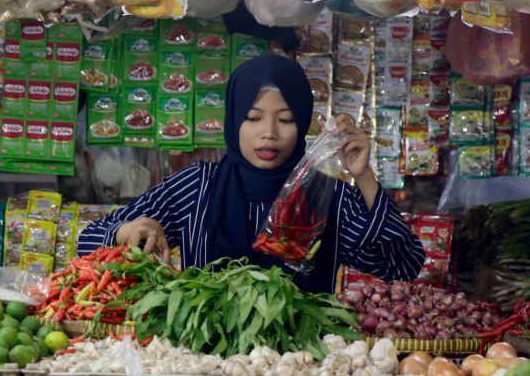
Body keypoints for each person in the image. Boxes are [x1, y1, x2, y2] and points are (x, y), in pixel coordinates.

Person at [77, 54, 426, 294]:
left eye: (286, 119)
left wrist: (364, 177)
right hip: (205, 367)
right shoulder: (197, 185)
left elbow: (404, 265)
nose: (269, 133)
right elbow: (86, 242)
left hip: (302, 369)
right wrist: (126, 231)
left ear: (303, 122)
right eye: (253, 117)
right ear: (233, 120)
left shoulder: (327, 195)